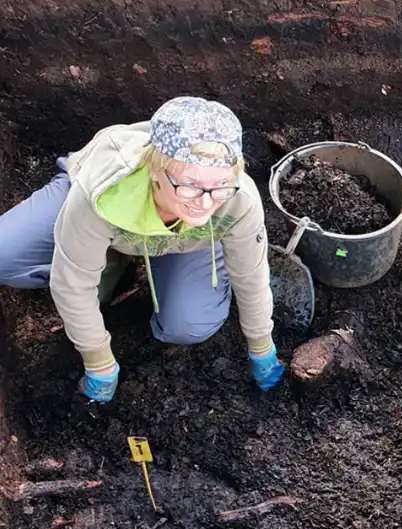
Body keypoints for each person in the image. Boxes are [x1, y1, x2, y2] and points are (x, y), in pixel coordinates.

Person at [0, 96, 286, 402]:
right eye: (188, 185)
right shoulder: (104, 194)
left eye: (219, 187)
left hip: (182, 241)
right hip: (105, 215)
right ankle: (111, 258)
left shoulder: (238, 200)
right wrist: (99, 363)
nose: (204, 202)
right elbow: (72, 286)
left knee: (189, 324)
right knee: (7, 256)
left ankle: (116, 258)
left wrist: (262, 347)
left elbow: (251, 276)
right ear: (154, 169)